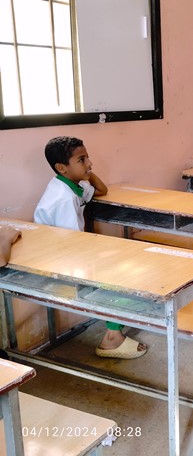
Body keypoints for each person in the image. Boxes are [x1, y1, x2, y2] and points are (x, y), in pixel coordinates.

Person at [34, 136, 148, 359]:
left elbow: (102, 189)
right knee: (124, 272)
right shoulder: (64, 199)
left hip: (66, 250)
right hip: (57, 260)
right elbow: (75, 246)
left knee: (124, 257)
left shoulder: (69, 184)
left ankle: (114, 330)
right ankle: (112, 339)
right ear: (61, 168)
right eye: (82, 159)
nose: (90, 163)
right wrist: (108, 256)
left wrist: (85, 171)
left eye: (88, 157)